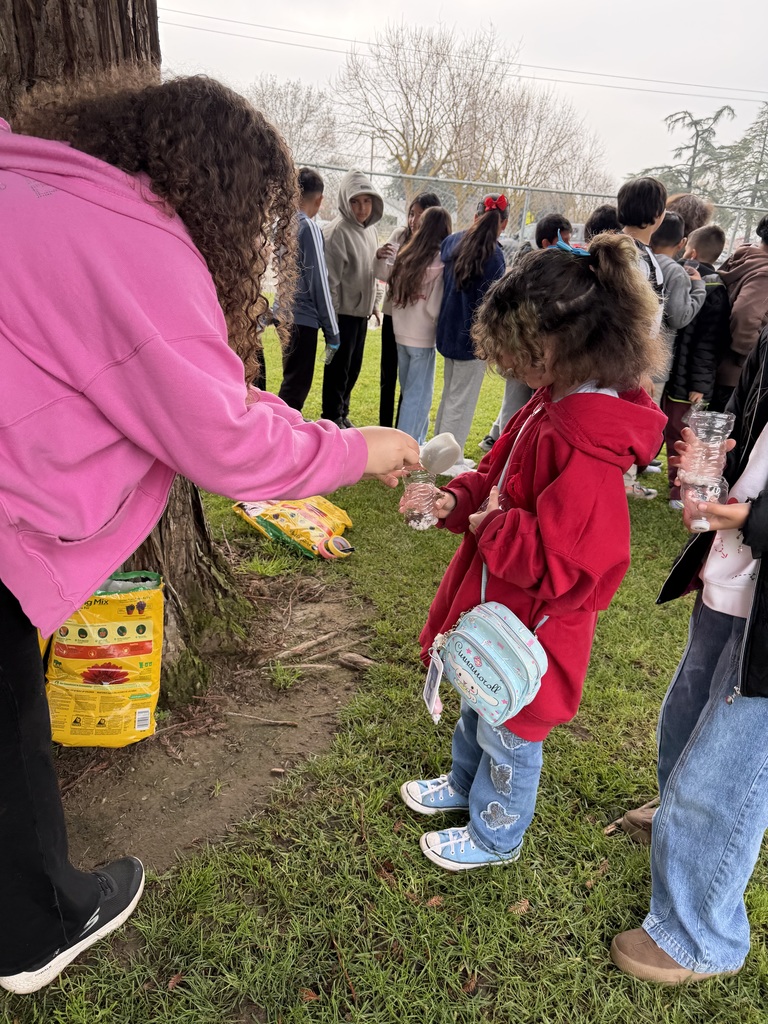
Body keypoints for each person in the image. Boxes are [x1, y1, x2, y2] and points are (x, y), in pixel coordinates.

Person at [0, 71, 419, 995]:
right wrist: (363, 446)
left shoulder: (26, 179)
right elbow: (224, 437)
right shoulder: (134, 242)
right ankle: (36, 934)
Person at [399, 233, 666, 871]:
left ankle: (497, 835)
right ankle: (465, 787)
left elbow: (573, 568)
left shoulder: (588, 444)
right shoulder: (551, 405)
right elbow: (494, 476)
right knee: (478, 700)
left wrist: (491, 528)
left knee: (512, 729)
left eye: (529, 355)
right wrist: (455, 502)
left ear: (578, 345)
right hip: (500, 611)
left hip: (535, 633)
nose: (518, 369)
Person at [611, 324, 768, 984]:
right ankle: (676, 813)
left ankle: (700, 934)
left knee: (733, 758)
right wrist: (723, 457)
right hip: (736, 566)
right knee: (689, 707)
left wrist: (752, 519)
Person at [478, 212, 574, 454]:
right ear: (546, 243)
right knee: (516, 401)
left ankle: (507, 443)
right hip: (523, 348)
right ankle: (504, 446)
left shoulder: (560, 273)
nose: (570, 247)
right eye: (565, 241)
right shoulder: (536, 274)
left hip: (533, 354)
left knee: (529, 403)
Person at [433, 194, 509, 476]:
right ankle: (448, 460)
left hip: (448, 331)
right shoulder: (495, 255)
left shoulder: (454, 241)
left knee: (449, 396)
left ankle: (442, 452)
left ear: (476, 216)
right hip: (472, 339)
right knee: (461, 401)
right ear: (504, 223)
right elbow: (493, 306)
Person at [660, 224, 731, 508]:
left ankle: (679, 490)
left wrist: (699, 385)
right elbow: (710, 343)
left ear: (690, 249)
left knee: (682, 435)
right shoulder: (697, 281)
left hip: (683, 380)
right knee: (677, 433)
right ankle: (671, 485)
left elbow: (706, 343)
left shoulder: (709, 287)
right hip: (676, 377)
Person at [382, 207, 453, 443]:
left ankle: (413, 442)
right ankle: (407, 445)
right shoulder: (440, 263)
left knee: (410, 391)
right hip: (423, 337)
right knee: (418, 395)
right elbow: (434, 308)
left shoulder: (406, 255)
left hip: (401, 333)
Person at [321, 169, 384, 427]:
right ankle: (332, 415)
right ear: (346, 201)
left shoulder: (370, 231)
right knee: (338, 369)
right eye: (355, 201)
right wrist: (332, 321)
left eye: (367, 201)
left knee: (353, 368)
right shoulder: (338, 231)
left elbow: (373, 273)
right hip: (343, 314)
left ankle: (342, 412)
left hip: (361, 314)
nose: (362, 208)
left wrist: (375, 304)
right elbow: (331, 281)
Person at [618, 175, 668, 498]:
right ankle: (619, 480)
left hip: (602, 356)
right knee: (622, 421)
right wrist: (640, 368)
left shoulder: (613, 249)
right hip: (622, 361)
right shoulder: (638, 259)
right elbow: (633, 317)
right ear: (658, 215)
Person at [375, 192, 442, 427]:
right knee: (390, 376)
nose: (414, 220)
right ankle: (386, 427)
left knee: (411, 385)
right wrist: (379, 258)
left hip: (415, 323)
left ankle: (402, 428)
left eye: (420, 216)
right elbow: (383, 274)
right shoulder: (399, 236)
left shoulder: (437, 248)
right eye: (411, 214)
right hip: (396, 317)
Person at [276, 167, 339, 413]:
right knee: (295, 390)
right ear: (319, 199)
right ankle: (281, 443)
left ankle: (282, 437)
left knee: (291, 383)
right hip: (303, 320)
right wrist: (332, 331)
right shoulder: (309, 227)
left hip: (286, 318)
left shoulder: (283, 226)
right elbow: (319, 281)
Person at [649, 211, 707, 404]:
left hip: (625, 360)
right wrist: (699, 289)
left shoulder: (639, 260)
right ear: (682, 243)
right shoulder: (675, 272)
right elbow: (678, 317)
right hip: (654, 367)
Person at [715, 214, 768, 414]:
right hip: (736, 376)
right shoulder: (765, 274)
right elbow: (745, 318)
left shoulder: (744, 257)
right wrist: (751, 358)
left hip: (722, 368)